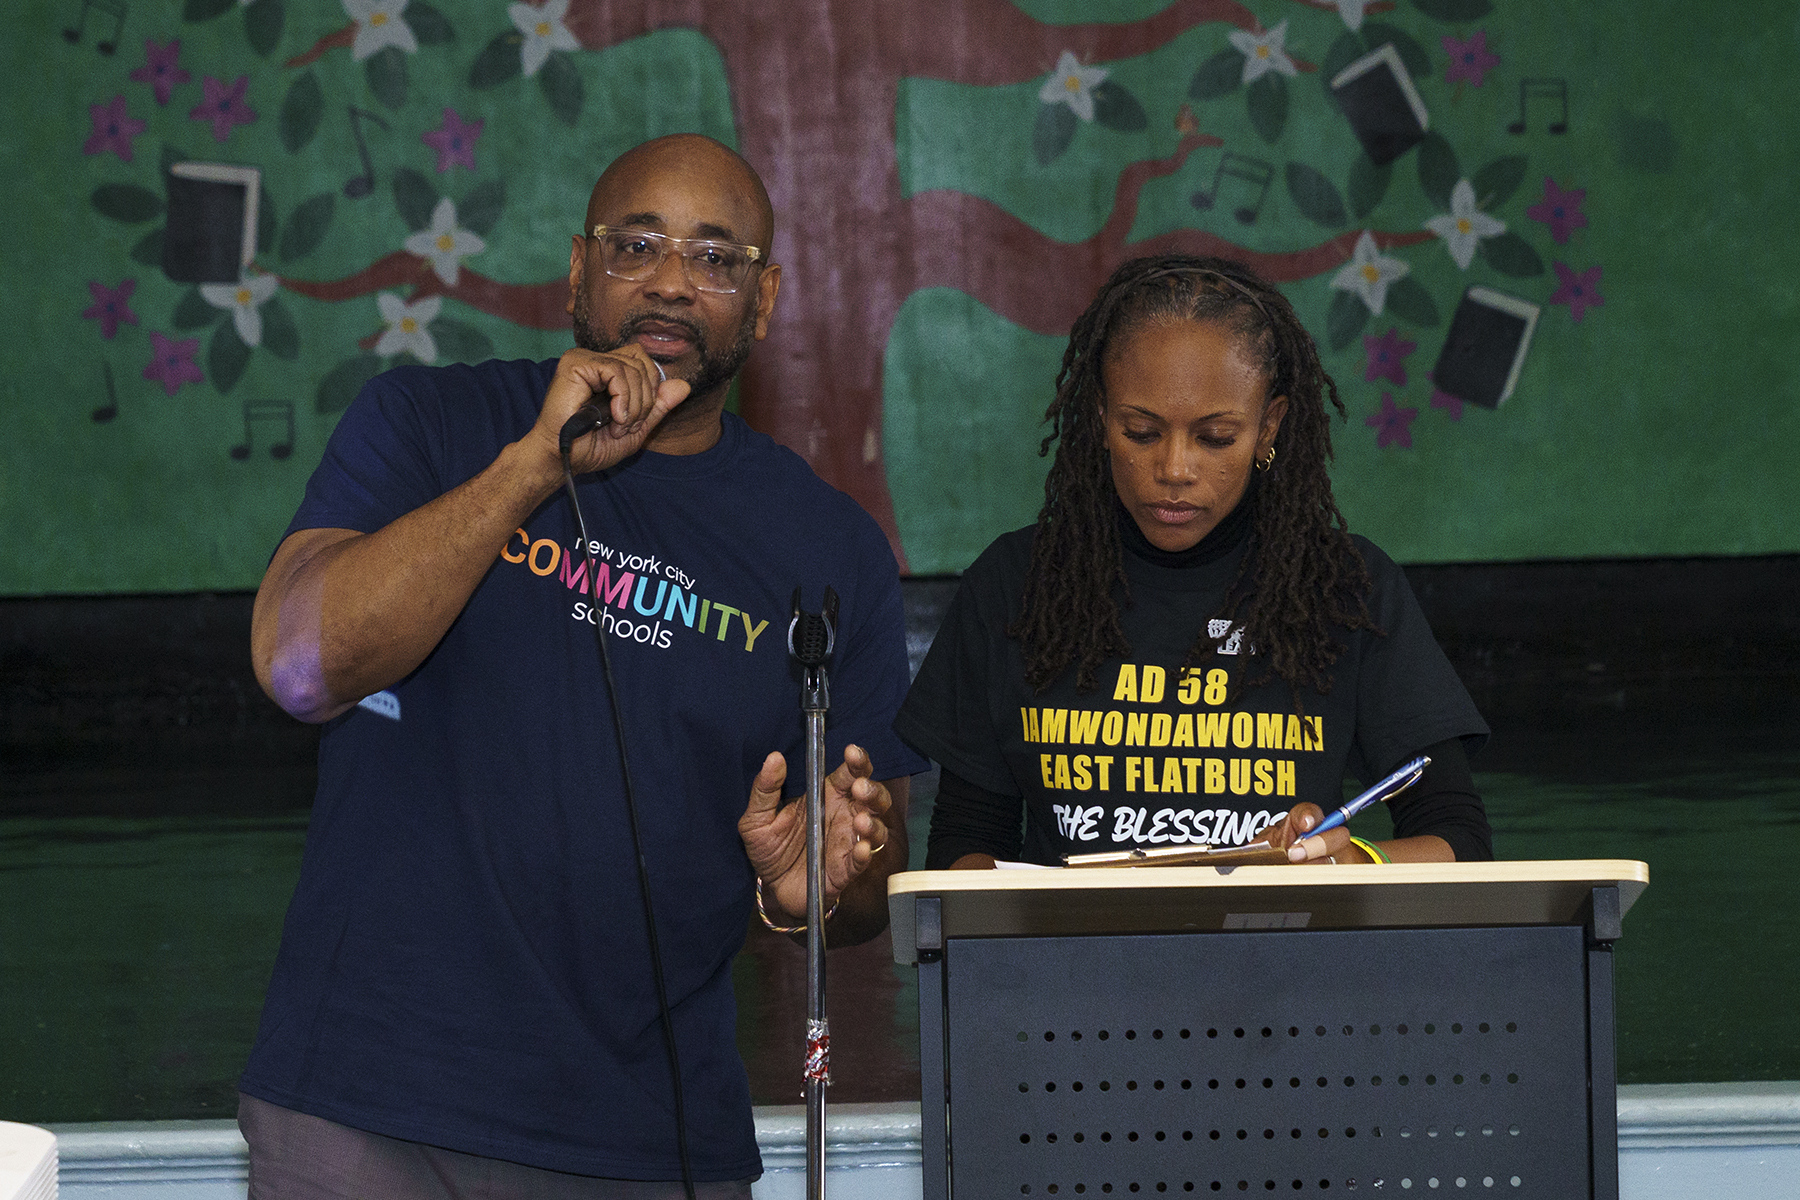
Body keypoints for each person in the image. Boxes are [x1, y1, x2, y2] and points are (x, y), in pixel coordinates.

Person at [242, 134, 926, 1197]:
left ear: (764, 301)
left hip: (648, 1144)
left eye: (715, 258)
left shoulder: (830, 549)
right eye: (636, 245)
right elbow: (296, 667)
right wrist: (528, 468)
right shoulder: (431, 425)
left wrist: (811, 893)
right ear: (578, 270)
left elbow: (876, 884)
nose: (671, 282)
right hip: (366, 1106)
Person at [897, 255, 1492, 870]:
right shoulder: (1014, 584)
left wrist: (1347, 865)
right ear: (1101, 417)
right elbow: (964, 841)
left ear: (1268, 427)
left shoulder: (1346, 589)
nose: (1175, 469)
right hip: (1069, 938)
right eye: (1141, 431)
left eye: (1215, 438)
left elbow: (1458, 839)